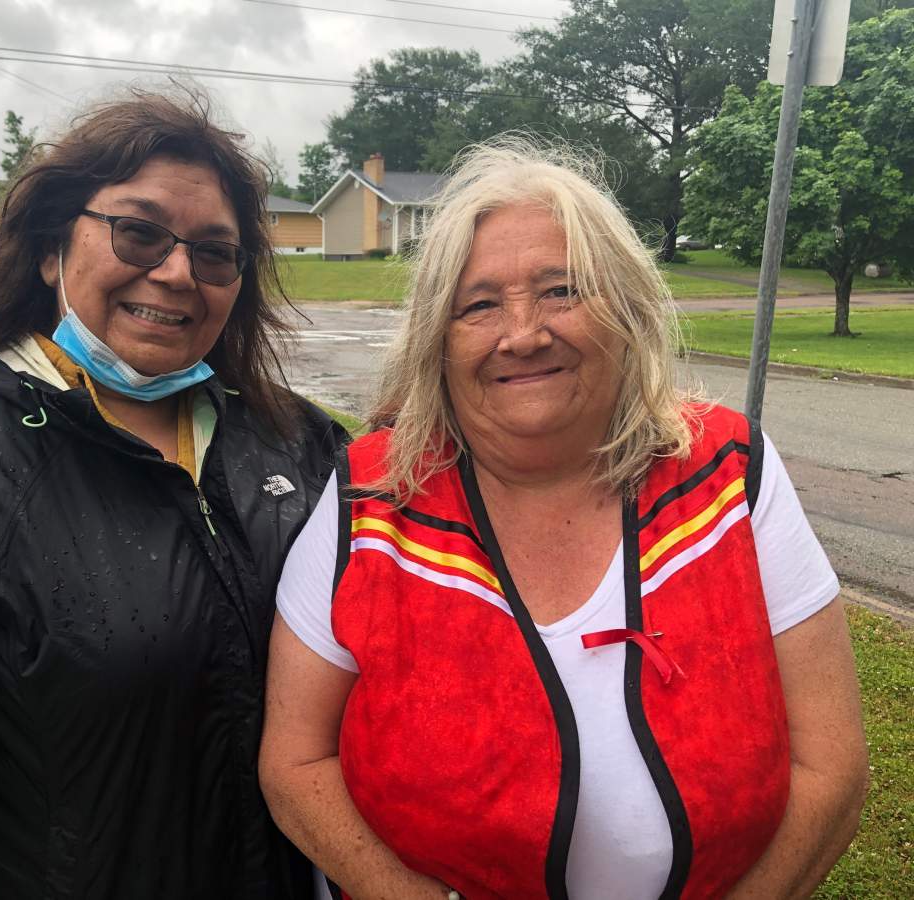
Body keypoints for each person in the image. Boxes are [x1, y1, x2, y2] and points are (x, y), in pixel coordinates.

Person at [258, 138, 869, 900]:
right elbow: (295, 763)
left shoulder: (730, 475)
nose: (523, 333)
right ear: (435, 343)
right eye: (479, 305)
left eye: (561, 291)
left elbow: (832, 770)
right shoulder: (372, 499)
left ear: (627, 307)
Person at [0, 90, 344, 899]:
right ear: (52, 247)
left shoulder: (293, 443)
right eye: (140, 232)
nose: (179, 272)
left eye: (216, 252)